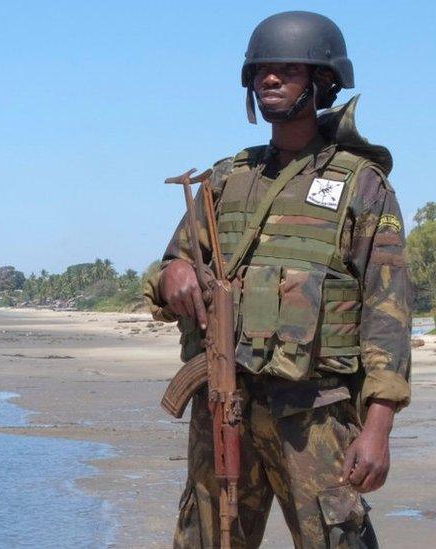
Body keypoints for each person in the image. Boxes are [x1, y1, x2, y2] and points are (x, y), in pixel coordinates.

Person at [143, 11, 410, 548]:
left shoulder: (361, 186)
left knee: (338, 538)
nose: (270, 79)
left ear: (323, 81)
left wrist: (378, 428)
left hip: (313, 417)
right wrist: (171, 272)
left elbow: (388, 314)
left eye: (289, 69)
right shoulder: (224, 179)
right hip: (223, 405)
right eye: (263, 69)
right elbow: (168, 268)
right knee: (204, 539)